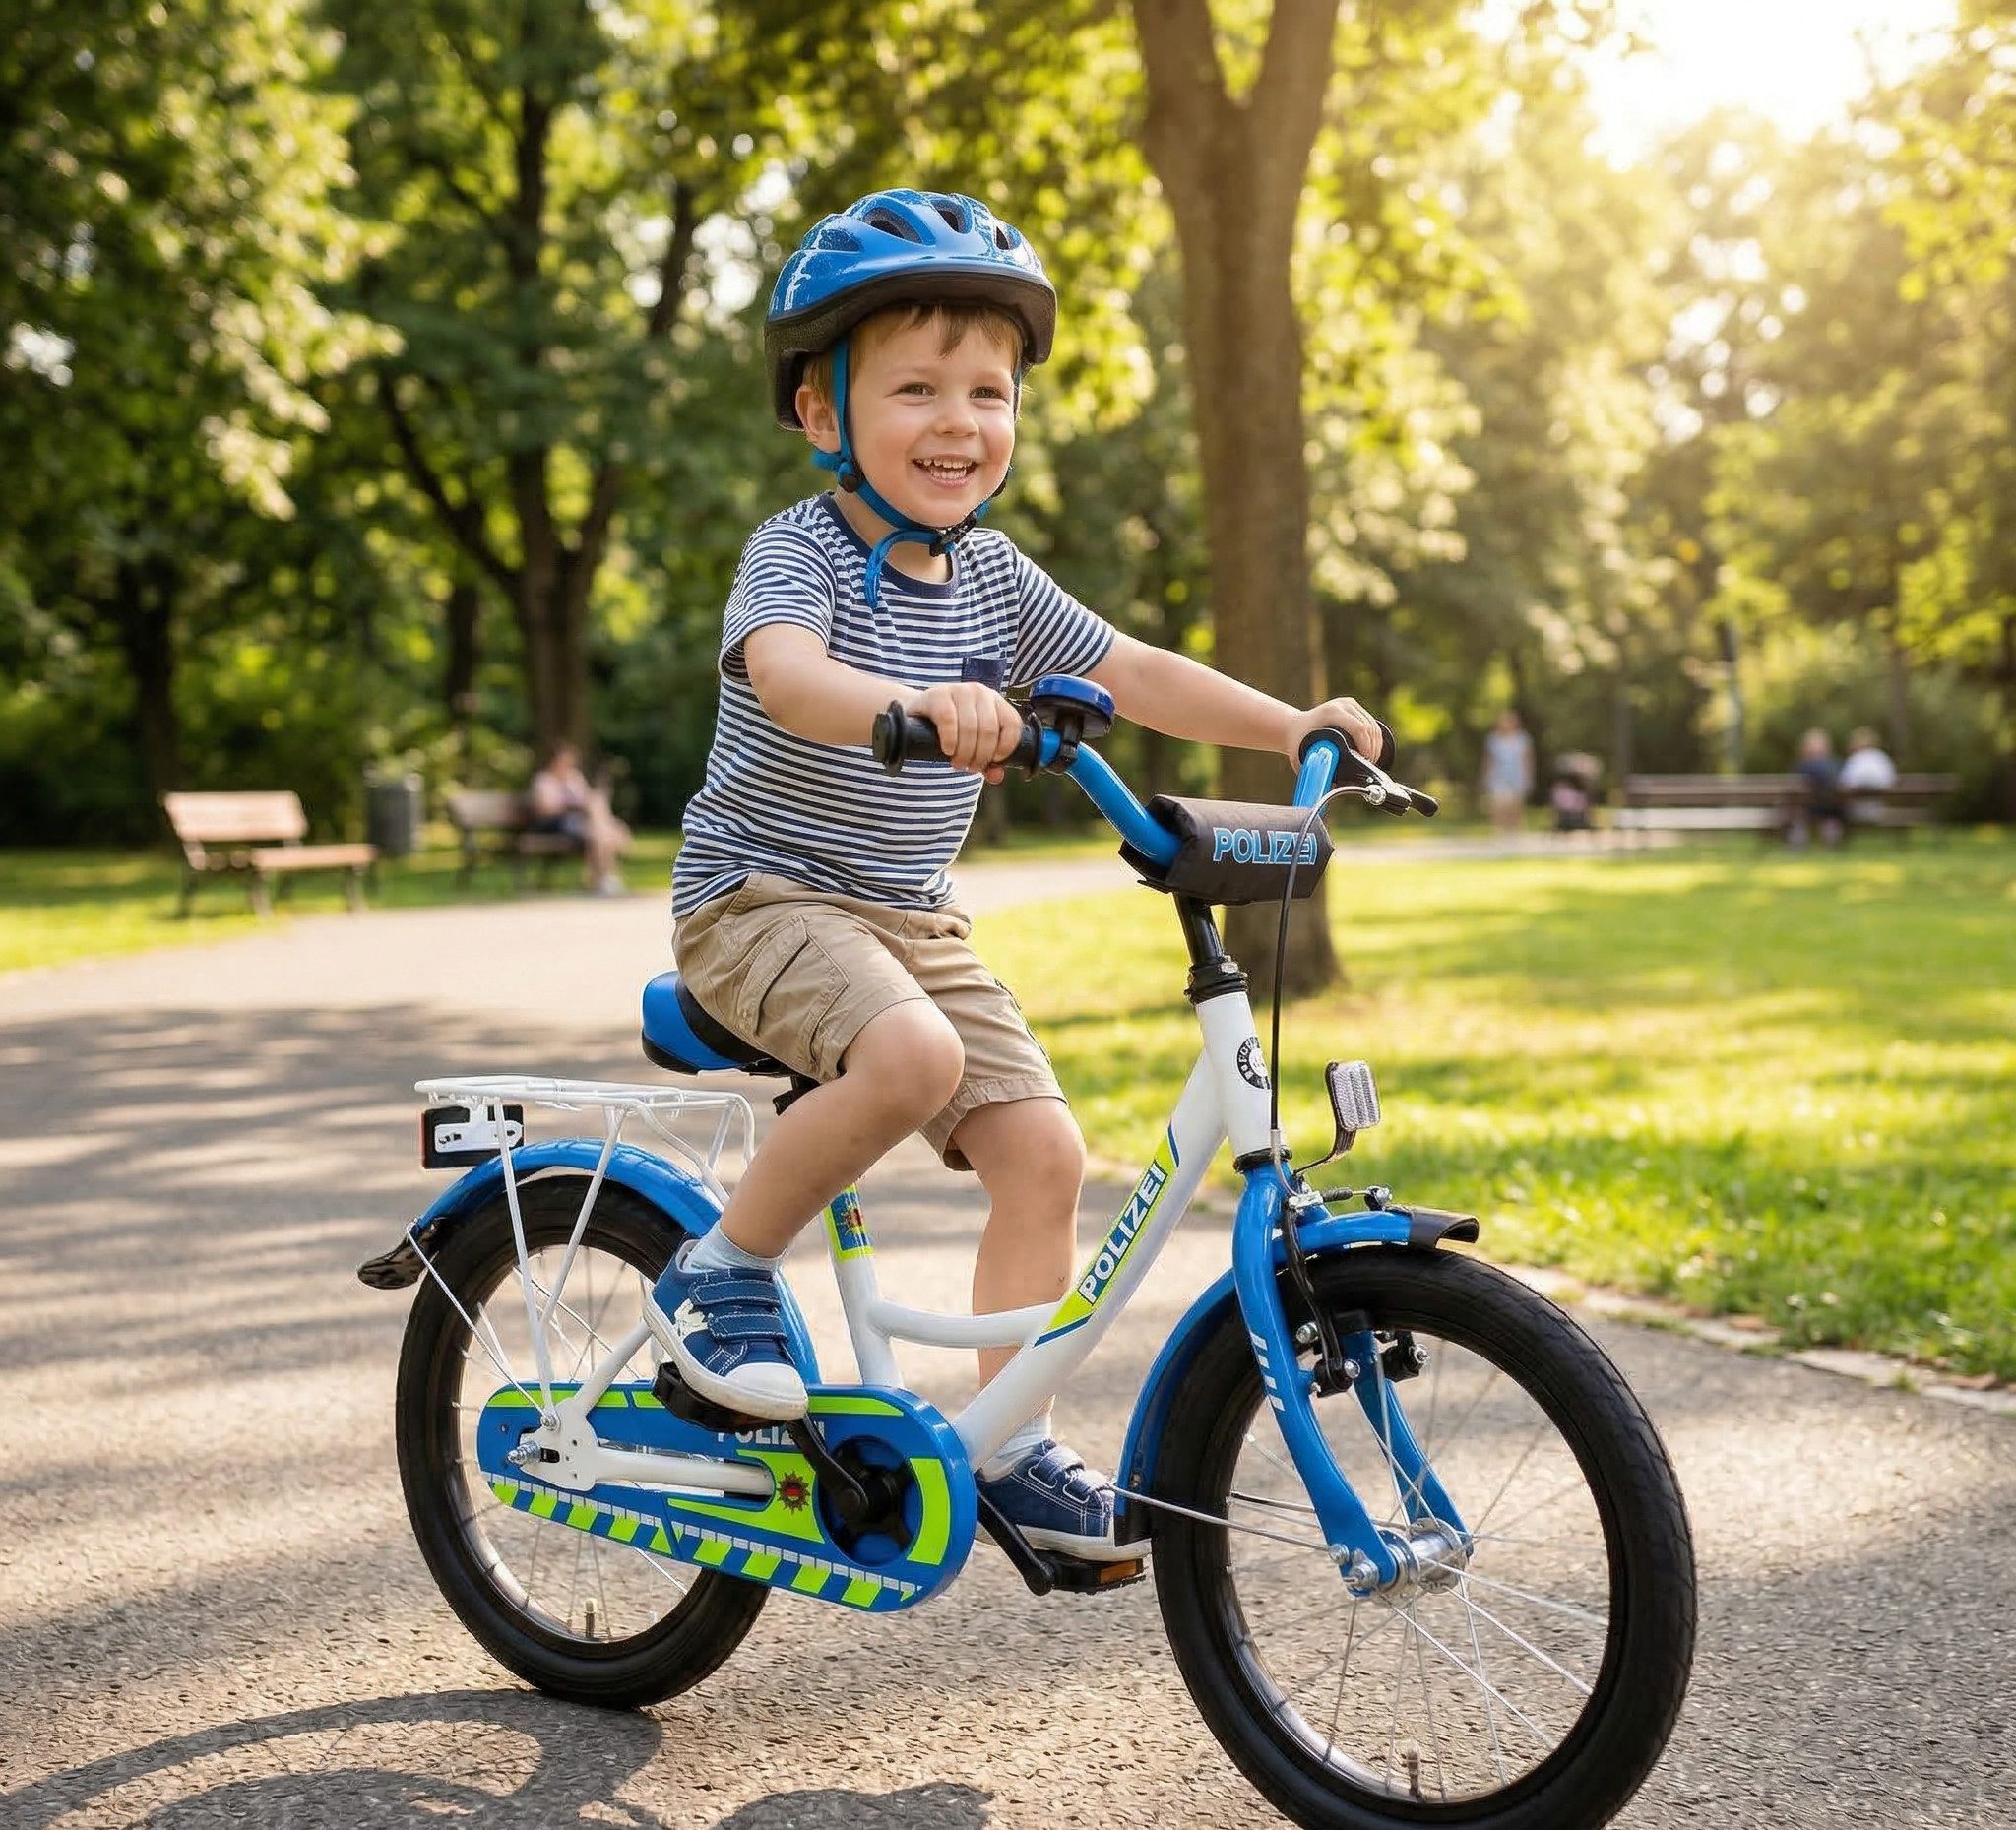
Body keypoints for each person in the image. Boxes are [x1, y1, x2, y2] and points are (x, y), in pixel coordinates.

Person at [648, 188, 1387, 1561]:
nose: (957, 420)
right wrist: (916, 702)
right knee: (917, 1061)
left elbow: (1136, 670)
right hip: (758, 902)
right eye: (915, 386)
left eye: (987, 390)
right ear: (824, 416)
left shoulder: (992, 575)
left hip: (910, 921)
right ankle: (719, 1269)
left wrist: (1294, 723)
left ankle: (1015, 1440)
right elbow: (787, 674)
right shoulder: (799, 553)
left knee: (1044, 1153)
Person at [526, 742, 631, 894]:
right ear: (554, 760)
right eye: (564, 760)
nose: (567, 764)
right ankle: (605, 877)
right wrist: (573, 806)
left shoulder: (574, 777)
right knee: (600, 831)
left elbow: (587, 798)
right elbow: (546, 810)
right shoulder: (543, 780)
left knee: (597, 833)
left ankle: (603, 878)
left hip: (578, 823)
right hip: (555, 824)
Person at [1789, 726, 1845, 848]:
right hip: (1831, 808)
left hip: (1810, 808)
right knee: (1830, 814)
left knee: (1798, 813)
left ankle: (1797, 846)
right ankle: (1831, 844)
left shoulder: (1801, 767)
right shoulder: (1836, 764)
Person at [1480, 709, 1534, 833]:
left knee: (1516, 806)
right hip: (1498, 776)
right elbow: (1489, 760)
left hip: (1517, 776)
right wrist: (1485, 776)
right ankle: (1499, 832)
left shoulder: (1522, 739)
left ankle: (1517, 832)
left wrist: (1528, 776)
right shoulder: (1493, 739)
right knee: (1499, 805)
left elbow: (1527, 759)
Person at [1839, 726, 1897, 794]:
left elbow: (1845, 782)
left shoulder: (1855, 758)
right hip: (1879, 800)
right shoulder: (1881, 756)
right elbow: (1891, 780)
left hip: (1858, 800)